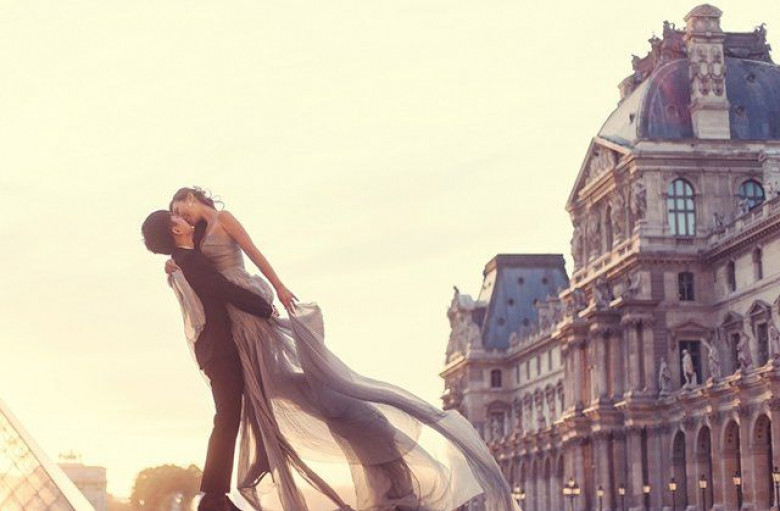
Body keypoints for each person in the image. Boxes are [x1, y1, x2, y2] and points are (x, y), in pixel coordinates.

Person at [164, 187, 519, 511]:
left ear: (193, 198)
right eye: (176, 215)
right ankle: (269, 454)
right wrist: (174, 266)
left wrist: (280, 287)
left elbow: (254, 253)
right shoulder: (196, 236)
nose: (181, 216)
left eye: (181, 209)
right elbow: (199, 275)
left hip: (249, 311)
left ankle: (363, 436)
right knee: (263, 394)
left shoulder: (224, 219)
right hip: (236, 322)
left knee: (283, 387)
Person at [142, 210, 274, 511]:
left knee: (228, 416)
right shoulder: (189, 262)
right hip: (219, 350)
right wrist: (264, 307)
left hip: (214, 350)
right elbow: (223, 289)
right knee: (227, 417)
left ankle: (216, 496)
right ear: (176, 231)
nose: (183, 218)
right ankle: (213, 497)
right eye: (176, 217)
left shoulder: (183, 260)